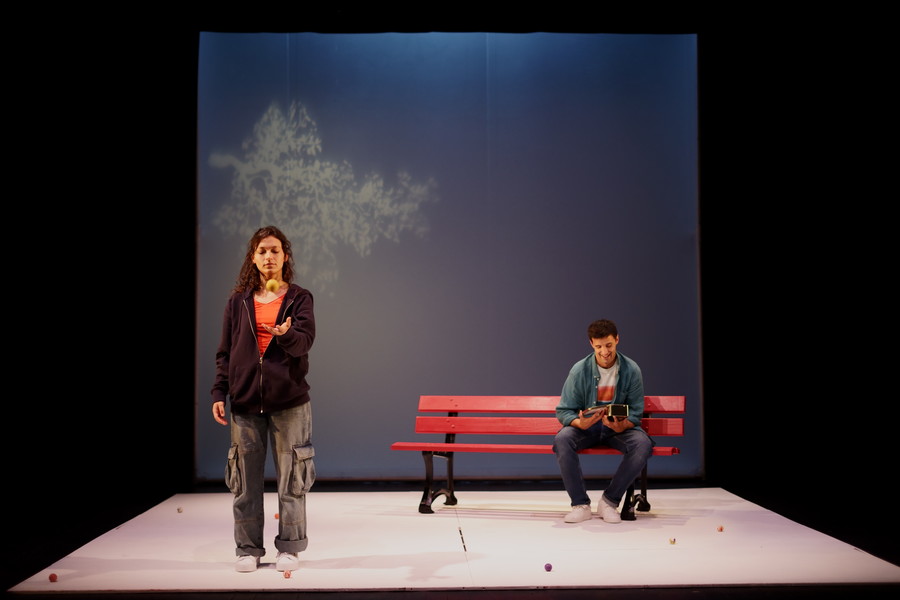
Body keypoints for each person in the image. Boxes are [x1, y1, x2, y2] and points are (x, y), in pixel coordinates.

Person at [211, 225, 317, 573]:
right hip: (244, 403)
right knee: (244, 482)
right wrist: (219, 392)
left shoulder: (299, 298)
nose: (268, 256)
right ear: (253, 258)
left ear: (285, 256)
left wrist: (286, 335)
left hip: (289, 403)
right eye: (262, 251)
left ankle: (290, 547)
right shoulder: (237, 301)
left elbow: (304, 343)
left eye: (274, 250)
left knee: (292, 480)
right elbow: (225, 352)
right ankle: (248, 549)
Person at [552, 319, 653, 524]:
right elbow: (564, 411)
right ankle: (580, 505)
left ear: (617, 340)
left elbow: (636, 412)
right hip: (588, 429)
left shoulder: (631, 369)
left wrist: (622, 425)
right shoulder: (579, 370)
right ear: (591, 343)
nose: (604, 352)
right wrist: (580, 423)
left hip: (617, 430)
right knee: (562, 439)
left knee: (643, 444)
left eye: (609, 345)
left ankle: (609, 502)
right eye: (599, 347)